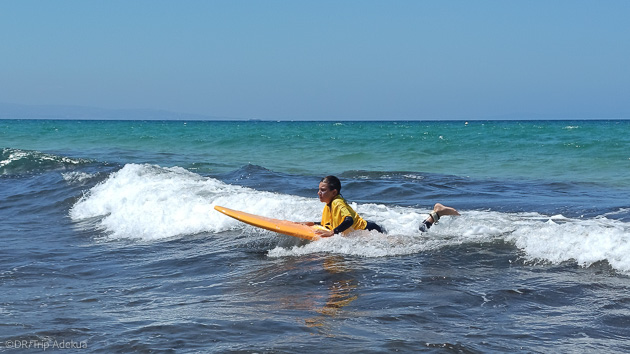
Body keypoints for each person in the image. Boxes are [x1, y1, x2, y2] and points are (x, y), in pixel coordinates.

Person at [303, 175, 459, 237]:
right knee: (412, 236)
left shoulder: (337, 202)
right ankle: (435, 215)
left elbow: (349, 220)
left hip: (371, 230)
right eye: (319, 190)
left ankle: (435, 214)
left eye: (323, 190)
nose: (319, 193)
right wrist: (311, 223)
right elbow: (329, 223)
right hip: (367, 231)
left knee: (415, 238)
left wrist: (333, 233)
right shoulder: (329, 204)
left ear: (334, 192)